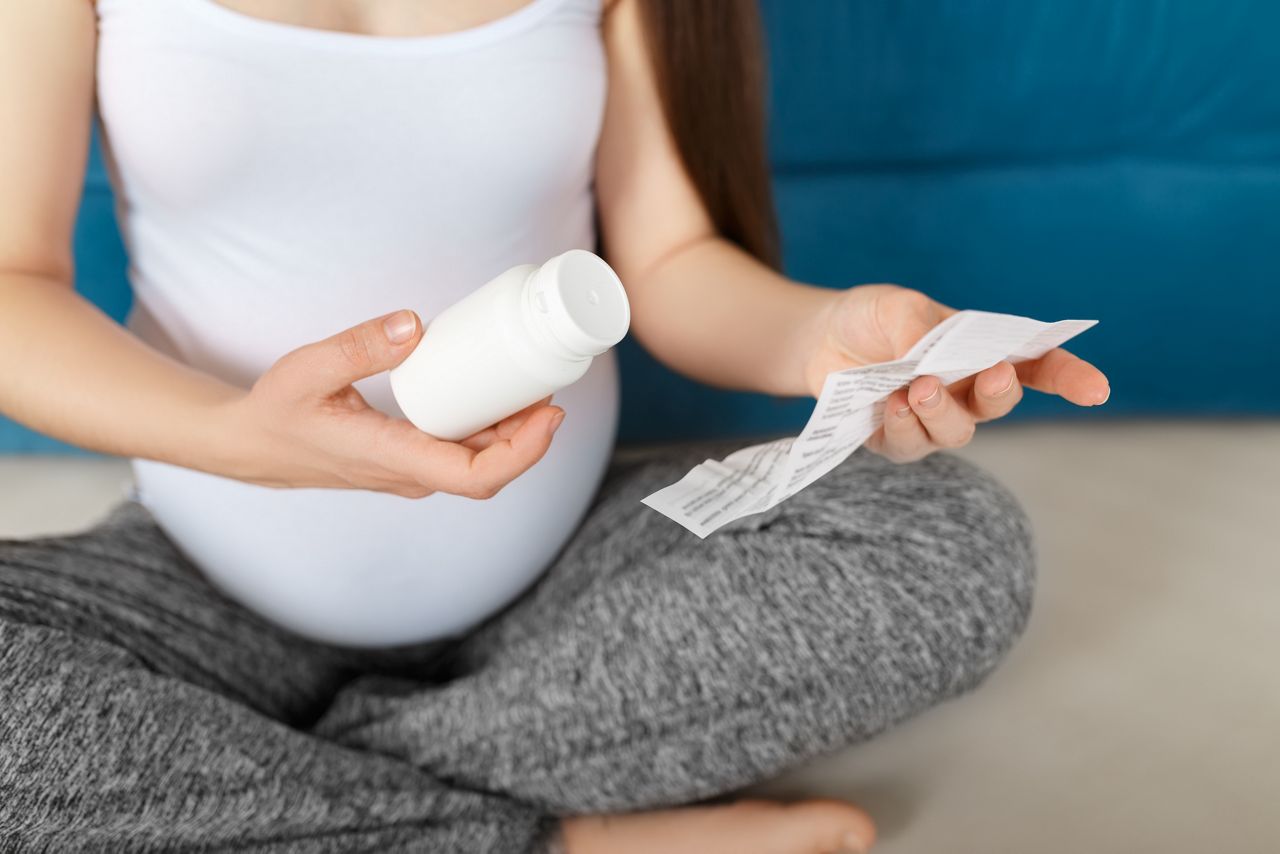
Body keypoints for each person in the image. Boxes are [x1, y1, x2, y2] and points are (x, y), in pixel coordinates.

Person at [0, 1, 1110, 851]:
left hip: (559, 574)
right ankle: (555, 834)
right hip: (207, 572)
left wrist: (824, 335)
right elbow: (12, 280)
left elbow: (669, 263)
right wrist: (239, 435)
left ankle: (275, 794)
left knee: (948, 549)